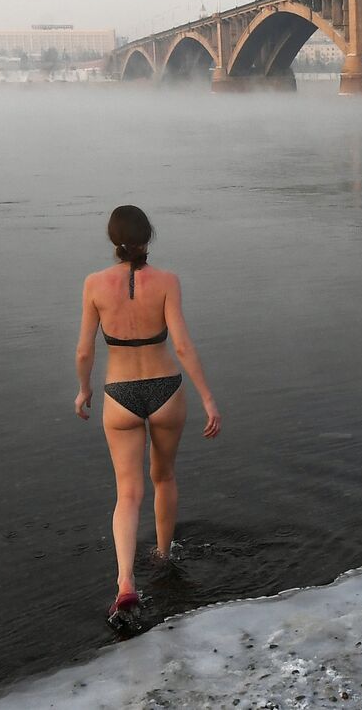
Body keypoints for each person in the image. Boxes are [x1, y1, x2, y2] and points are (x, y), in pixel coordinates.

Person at [74, 205, 221, 622]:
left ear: (112, 238)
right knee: (164, 477)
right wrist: (208, 398)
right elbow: (183, 346)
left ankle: (124, 583)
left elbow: (85, 350)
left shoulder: (94, 284)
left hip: (119, 394)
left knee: (128, 493)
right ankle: (162, 554)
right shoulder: (167, 282)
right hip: (166, 390)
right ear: (148, 236)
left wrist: (84, 390)